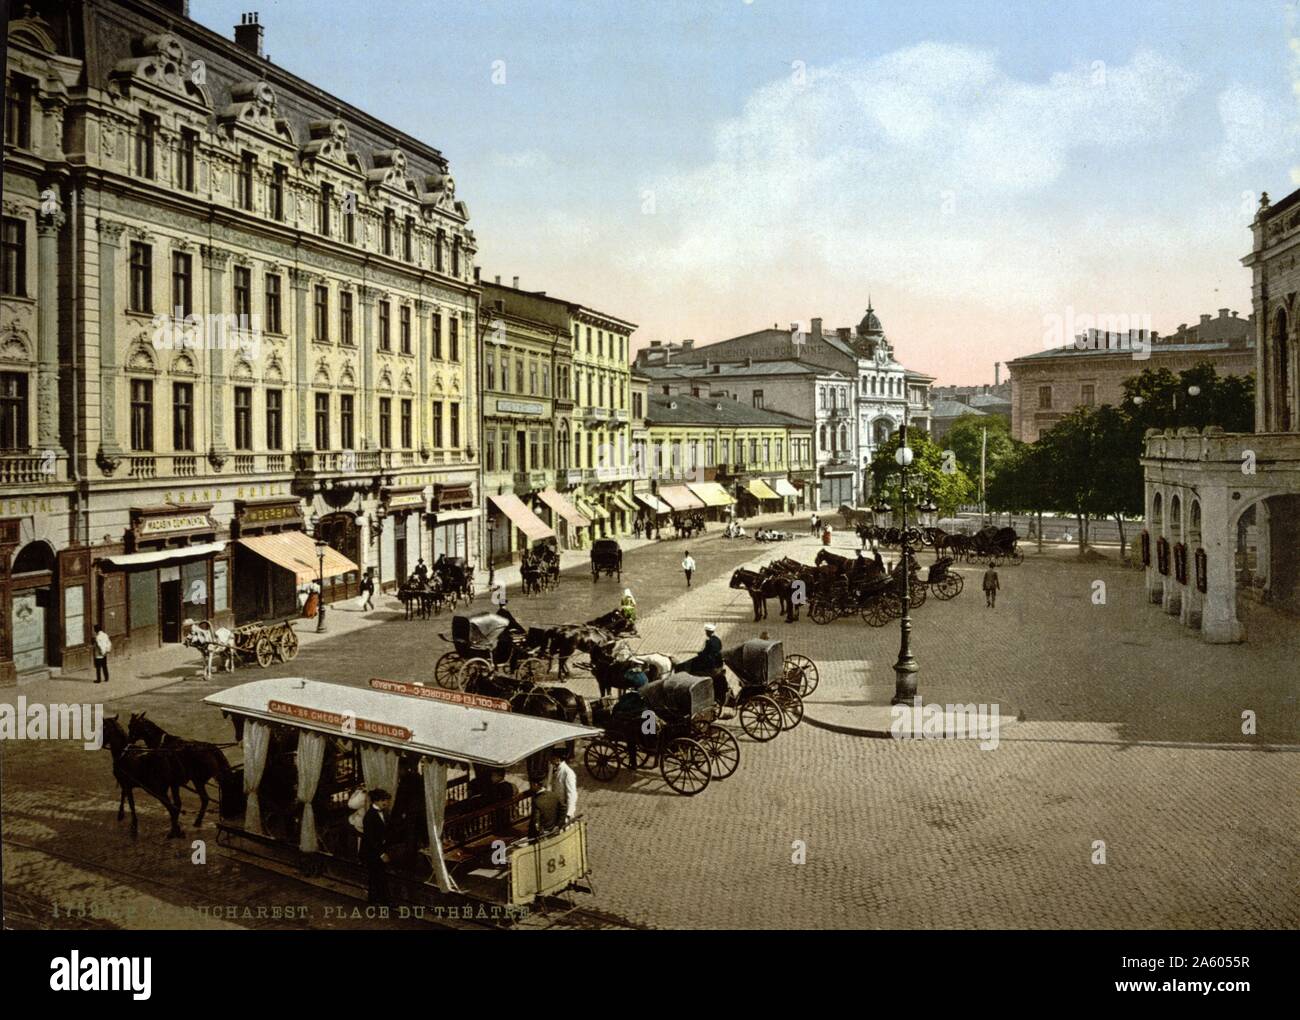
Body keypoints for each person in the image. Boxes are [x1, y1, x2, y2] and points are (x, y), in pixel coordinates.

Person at [360, 788, 393, 905]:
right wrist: (381, 854)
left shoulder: (383, 813)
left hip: (377, 849)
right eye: (384, 800)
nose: (386, 803)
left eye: (387, 800)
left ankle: (378, 899)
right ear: (376, 801)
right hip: (372, 851)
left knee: (379, 875)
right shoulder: (369, 816)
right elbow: (370, 838)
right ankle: (380, 900)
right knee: (376, 876)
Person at [553, 748, 577, 824]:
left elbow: (572, 794)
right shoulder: (555, 769)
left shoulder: (568, 773)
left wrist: (569, 814)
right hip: (558, 806)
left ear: (558, 759)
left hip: (565, 809)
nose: (550, 761)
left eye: (552, 758)